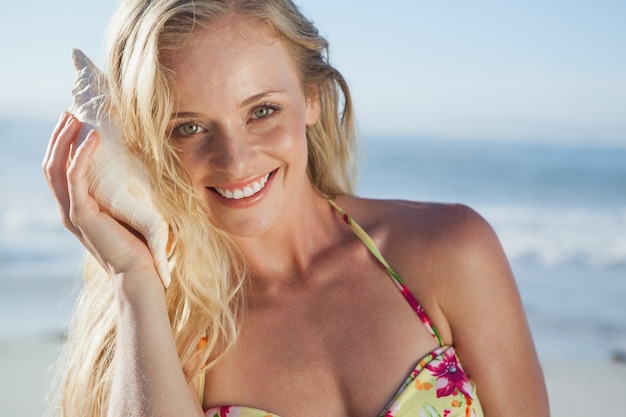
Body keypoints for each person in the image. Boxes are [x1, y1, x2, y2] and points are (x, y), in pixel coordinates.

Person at [42, 1, 549, 416]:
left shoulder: (450, 253)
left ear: (312, 99)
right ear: (149, 145)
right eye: (188, 127)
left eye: (262, 111)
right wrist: (133, 277)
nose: (235, 160)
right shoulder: (167, 330)